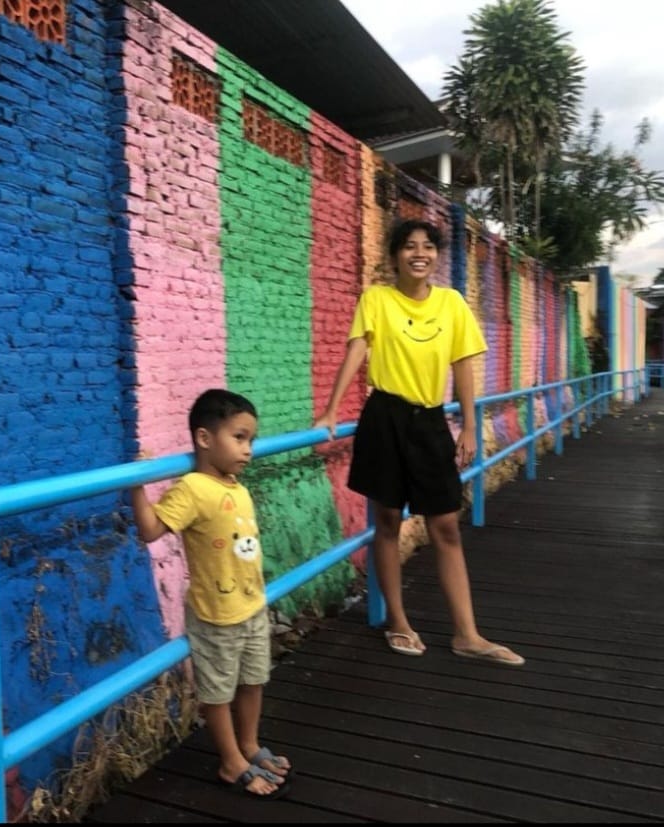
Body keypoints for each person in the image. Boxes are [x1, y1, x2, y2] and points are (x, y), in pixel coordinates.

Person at [314, 219, 524, 667]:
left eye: (427, 247)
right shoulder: (376, 299)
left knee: (445, 523)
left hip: (430, 421)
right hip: (384, 416)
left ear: (436, 256)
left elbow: (463, 365)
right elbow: (356, 350)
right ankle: (398, 620)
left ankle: (467, 634)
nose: (418, 253)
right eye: (409, 246)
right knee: (387, 520)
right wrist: (331, 410)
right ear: (394, 256)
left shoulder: (451, 304)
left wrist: (468, 425)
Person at [131, 389, 293, 799]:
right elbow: (151, 530)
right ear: (205, 439)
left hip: (253, 606)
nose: (248, 449)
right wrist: (137, 486)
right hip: (216, 614)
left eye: (251, 440)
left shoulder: (236, 485)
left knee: (255, 680)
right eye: (239, 438)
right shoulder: (192, 488)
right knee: (218, 693)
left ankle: (250, 744)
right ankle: (230, 760)